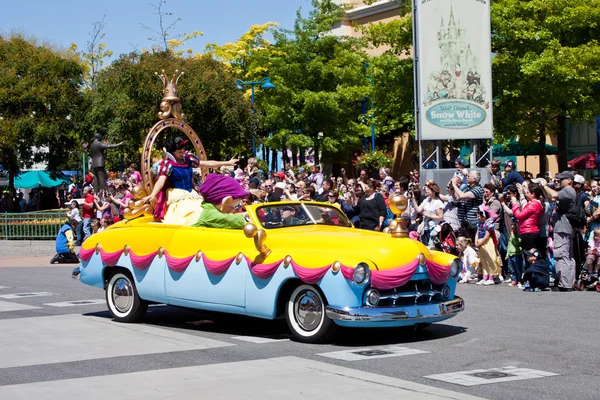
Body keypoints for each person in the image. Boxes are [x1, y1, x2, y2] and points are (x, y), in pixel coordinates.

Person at [142, 137, 238, 225]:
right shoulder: (168, 164)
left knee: (203, 207)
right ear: (172, 152)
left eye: (183, 149)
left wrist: (227, 162)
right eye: (180, 150)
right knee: (190, 211)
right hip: (177, 194)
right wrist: (152, 194)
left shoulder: (189, 159)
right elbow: (161, 181)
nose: (182, 151)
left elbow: (207, 163)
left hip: (191, 193)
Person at [540, 171, 576, 292]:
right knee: (568, 256)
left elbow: (554, 195)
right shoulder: (566, 192)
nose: (559, 181)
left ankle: (564, 284)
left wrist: (545, 185)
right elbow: (550, 198)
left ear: (569, 181)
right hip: (565, 227)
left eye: (562, 179)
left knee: (561, 255)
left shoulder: (569, 191)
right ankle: (569, 282)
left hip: (563, 228)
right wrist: (543, 187)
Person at [412, 181, 444, 247]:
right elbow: (418, 210)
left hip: (433, 228)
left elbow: (440, 217)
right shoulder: (426, 200)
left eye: (428, 189)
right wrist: (413, 199)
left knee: (431, 247)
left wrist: (428, 215)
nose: (426, 190)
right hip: (425, 227)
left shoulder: (438, 202)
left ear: (433, 191)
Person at [475, 205, 501, 285]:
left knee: (490, 260)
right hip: (480, 243)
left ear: (484, 216)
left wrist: (480, 243)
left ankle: (491, 277)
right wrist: (476, 242)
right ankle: (485, 277)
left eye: (479, 216)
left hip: (486, 243)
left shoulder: (488, 224)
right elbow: (477, 234)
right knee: (483, 260)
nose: (478, 218)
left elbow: (486, 236)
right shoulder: (479, 224)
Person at [506, 222, 524, 287]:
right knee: (512, 268)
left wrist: (513, 236)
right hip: (511, 253)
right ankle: (514, 280)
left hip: (517, 254)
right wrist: (507, 254)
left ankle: (519, 280)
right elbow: (509, 245)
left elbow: (517, 243)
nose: (513, 230)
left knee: (518, 268)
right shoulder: (511, 236)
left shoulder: (518, 236)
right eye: (512, 229)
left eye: (515, 229)